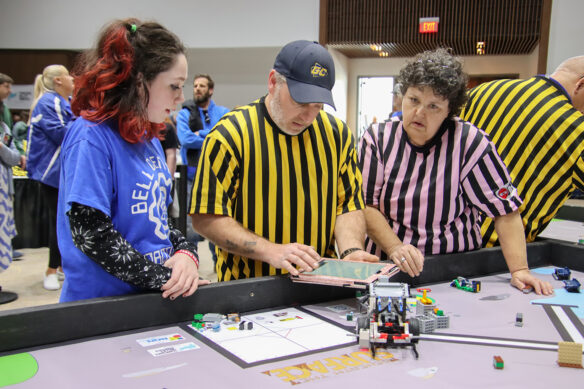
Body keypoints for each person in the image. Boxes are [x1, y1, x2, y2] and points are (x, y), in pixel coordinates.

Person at [358, 48, 553, 295]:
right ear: (402, 96)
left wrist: (519, 269)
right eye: (414, 100)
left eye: (433, 106)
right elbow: (366, 205)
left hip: (454, 270)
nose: (419, 113)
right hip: (389, 263)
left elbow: (505, 210)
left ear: (450, 111)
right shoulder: (377, 139)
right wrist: (396, 247)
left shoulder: (470, 142)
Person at [190, 40, 378, 281]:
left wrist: (351, 250)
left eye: (318, 105)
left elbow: (348, 204)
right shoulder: (230, 134)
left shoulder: (337, 134)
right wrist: (270, 250)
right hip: (249, 287)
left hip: (319, 283)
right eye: (300, 102)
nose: (309, 116)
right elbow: (205, 217)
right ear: (272, 82)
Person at [57, 18, 209, 302]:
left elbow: (157, 222)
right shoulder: (91, 136)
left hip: (150, 297)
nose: (181, 97)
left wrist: (185, 254)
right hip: (103, 304)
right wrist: (165, 278)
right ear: (139, 81)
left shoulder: (146, 135)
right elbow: (90, 232)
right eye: (174, 86)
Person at [461, 56, 584, 246]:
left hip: (443, 238)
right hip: (502, 252)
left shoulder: (482, 91)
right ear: (581, 84)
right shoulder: (577, 131)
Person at [26, 64, 74, 291]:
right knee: (58, 223)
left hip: (62, 173)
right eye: (68, 75)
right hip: (51, 173)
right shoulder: (49, 102)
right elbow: (63, 134)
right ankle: (51, 269)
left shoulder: (66, 101)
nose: (72, 79)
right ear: (57, 81)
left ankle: (62, 266)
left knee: (66, 221)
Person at [0, 73, 22, 278]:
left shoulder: (4, 114)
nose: (9, 91)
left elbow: (11, 151)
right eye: (6, 86)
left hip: (4, 178)